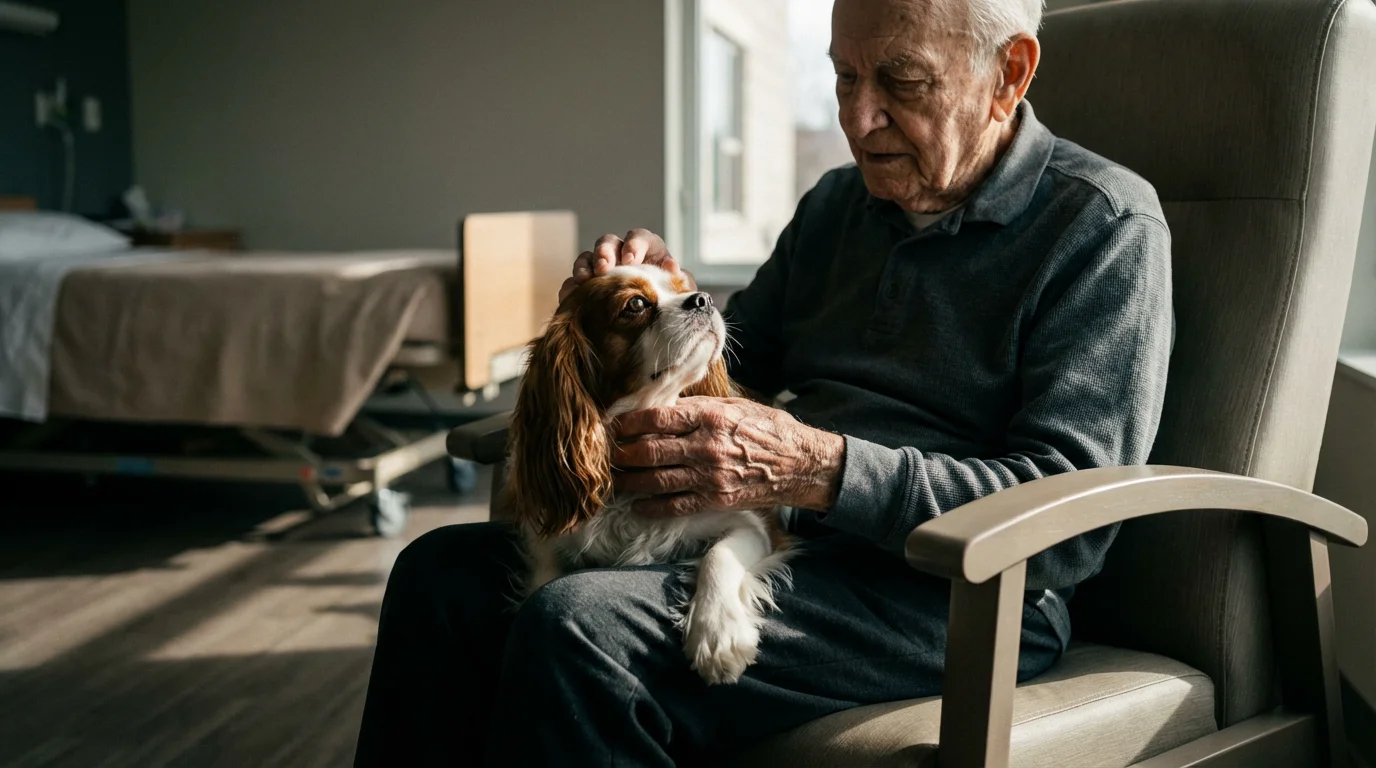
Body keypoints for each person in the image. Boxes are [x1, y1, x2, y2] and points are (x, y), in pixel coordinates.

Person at [354, 0, 1173, 763]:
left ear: (1010, 75)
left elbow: (1067, 517)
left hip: (954, 594)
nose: (858, 118)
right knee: (437, 576)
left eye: (902, 81)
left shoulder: (1102, 228)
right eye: (845, 77)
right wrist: (650, 313)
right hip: (782, 543)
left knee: (577, 628)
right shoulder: (836, 206)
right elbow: (732, 367)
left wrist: (821, 469)